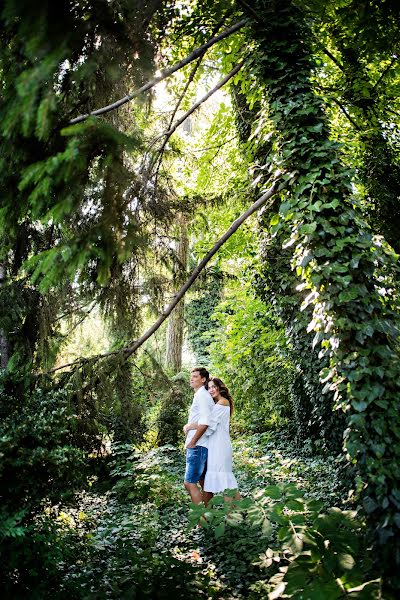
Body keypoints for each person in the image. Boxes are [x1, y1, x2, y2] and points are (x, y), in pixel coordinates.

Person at [185, 377, 240, 504]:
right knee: (227, 479)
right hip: (218, 445)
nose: (211, 390)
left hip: (220, 446)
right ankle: (238, 511)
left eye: (214, 387)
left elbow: (208, 424)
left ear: (220, 387)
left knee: (226, 481)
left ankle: (231, 515)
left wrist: (190, 426)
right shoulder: (219, 403)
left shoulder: (222, 403)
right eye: (209, 388)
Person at [183, 367, 215, 504]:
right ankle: (207, 517)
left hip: (198, 446)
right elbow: (205, 420)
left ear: (203, 379)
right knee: (204, 482)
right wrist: (190, 426)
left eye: (195, 376)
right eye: (192, 376)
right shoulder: (202, 395)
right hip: (203, 445)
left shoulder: (202, 395)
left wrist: (193, 441)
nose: (192, 378)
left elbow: (205, 422)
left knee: (189, 483)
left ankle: (201, 520)